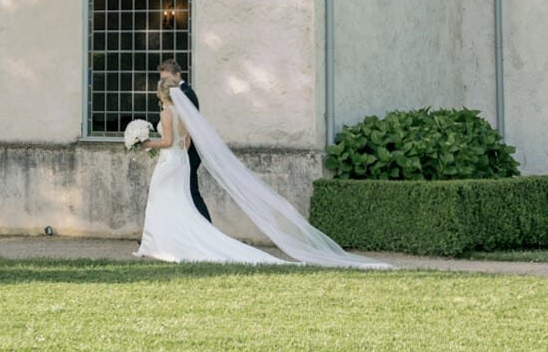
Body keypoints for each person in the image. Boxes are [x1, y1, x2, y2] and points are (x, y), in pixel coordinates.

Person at [133, 77, 392, 269]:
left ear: (161, 94)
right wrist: (173, 152)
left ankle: (158, 243)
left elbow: (167, 140)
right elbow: (186, 142)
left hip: (169, 161)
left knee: (162, 200)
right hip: (180, 162)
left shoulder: (166, 112)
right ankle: (164, 241)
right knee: (179, 201)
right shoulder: (183, 113)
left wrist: (146, 144)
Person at [158, 59, 210, 222]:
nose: (164, 82)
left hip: (188, 151)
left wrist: (179, 152)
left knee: (191, 191)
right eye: (162, 79)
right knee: (175, 193)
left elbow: (188, 128)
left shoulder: (187, 94)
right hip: (178, 152)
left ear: (177, 75)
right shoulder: (174, 94)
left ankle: (207, 229)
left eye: (167, 78)